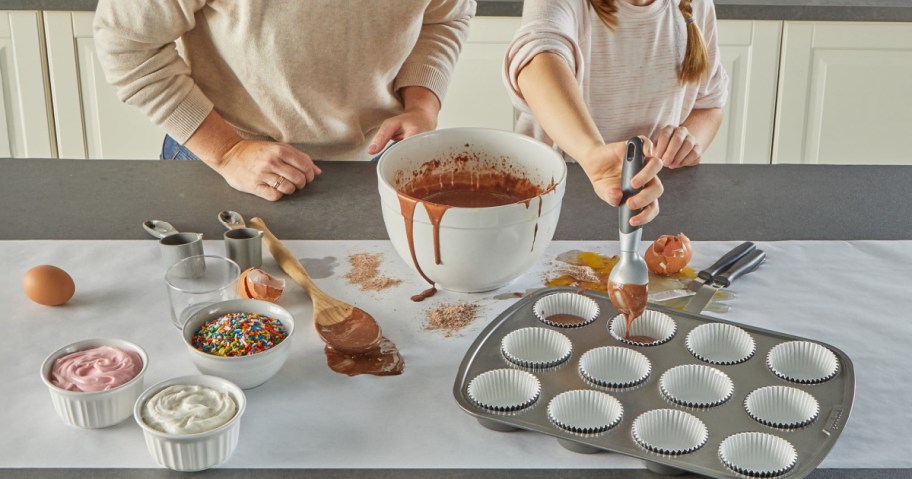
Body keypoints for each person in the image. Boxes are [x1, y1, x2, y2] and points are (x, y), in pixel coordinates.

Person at [94, 1, 476, 201]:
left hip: (374, 164)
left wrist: (421, 104)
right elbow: (126, 42)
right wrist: (229, 152)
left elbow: (445, 18)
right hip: (223, 161)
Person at [504, 0, 730, 226]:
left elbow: (708, 105)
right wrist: (593, 156)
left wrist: (685, 142)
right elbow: (537, 60)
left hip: (648, 200)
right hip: (550, 202)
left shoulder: (696, 4)